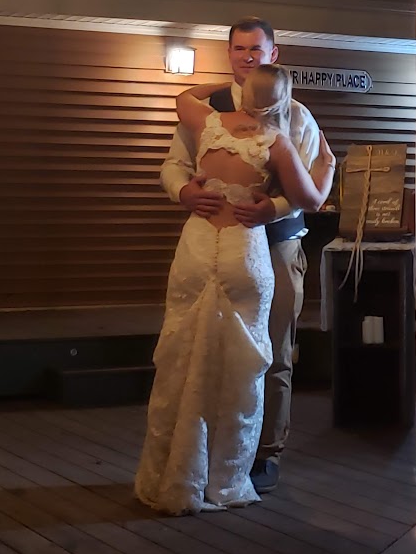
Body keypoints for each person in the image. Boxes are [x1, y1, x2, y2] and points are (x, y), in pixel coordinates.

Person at [135, 65, 336, 514]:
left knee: (182, 351)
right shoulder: (277, 140)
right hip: (243, 252)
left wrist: (226, 87)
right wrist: (329, 167)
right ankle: (225, 476)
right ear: (283, 99)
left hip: (197, 244)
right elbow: (312, 200)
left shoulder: (206, 121)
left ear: (243, 90)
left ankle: (173, 469)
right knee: (242, 362)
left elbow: (185, 94)